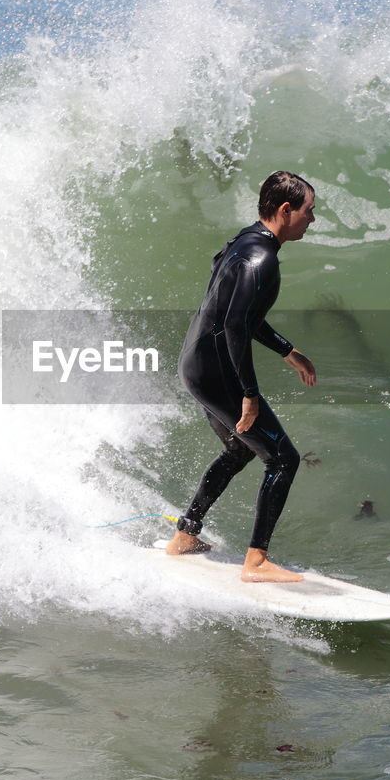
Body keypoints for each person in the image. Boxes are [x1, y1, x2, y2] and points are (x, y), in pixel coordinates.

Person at [165, 171, 318, 582]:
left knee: (239, 449)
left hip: (195, 366)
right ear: (286, 211)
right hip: (218, 373)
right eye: (309, 211)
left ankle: (185, 536)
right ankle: (257, 562)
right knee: (282, 460)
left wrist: (288, 351)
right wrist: (249, 392)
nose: (312, 220)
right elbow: (235, 325)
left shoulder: (244, 241)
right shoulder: (262, 260)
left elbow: (239, 316)